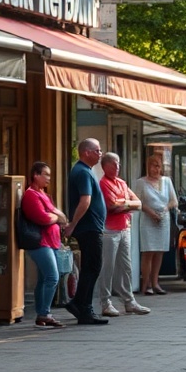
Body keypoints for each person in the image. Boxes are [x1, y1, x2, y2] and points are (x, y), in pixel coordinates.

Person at [97, 152, 150, 317]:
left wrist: (125, 204)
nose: (117, 167)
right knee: (108, 267)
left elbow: (139, 203)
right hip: (110, 230)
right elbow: (112, 206)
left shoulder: (121, 183)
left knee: (126, 266)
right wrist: (128, 204)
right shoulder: (103, 183)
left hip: (124, 228)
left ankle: (129, 301)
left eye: (118, 163)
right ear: (105, 166)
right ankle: (105, 302)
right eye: (113, 164)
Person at [63, 137, 109, 325]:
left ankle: (80, 305)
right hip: (88, 228)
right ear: (86, 153)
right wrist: (73, 223)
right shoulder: (82, 172)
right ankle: (83, 308)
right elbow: (85, 201)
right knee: (92, 266)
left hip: (91, 226)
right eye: (97, 150)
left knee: (92, 267)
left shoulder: (85, 171)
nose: (100, 154)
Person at [21, 162, 68, 328]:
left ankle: (41, 314)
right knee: (52, 277)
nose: (49, 178)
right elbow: (43, 218)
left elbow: (57, 213)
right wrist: (57, 217)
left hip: (52, 241)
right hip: (40, 242)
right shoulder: (31, 195)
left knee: (43, 279)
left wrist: (57, 216)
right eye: (46, 174)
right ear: (36, 175)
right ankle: (45, 312)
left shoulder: (44, 194)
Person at [134, 153, 178, 296]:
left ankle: (155, 283)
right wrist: (150, 212)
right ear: (148, 166)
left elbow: (173, 201)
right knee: (148, 252)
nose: (156, 169)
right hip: (148, 219)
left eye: (158, 166)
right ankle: (145, 285)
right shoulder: (141, 182)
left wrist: (165, 209)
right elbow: (137, 202)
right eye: (153, 165)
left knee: (159, 251)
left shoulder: (166, 181)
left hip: (163, 219)